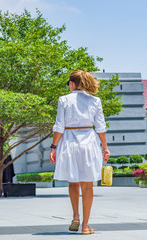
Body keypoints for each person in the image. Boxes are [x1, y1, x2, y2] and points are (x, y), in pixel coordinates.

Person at [50, 70, 110, 235]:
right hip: (89, 142)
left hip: (69, 142)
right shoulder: (95, 101)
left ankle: (75, 216)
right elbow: (100, 127)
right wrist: (105, 147)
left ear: (72, 83)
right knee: (87, 183)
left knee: (73, 181)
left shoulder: (64, 100)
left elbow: (59, 126)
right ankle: (85, 226)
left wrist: (53, 147)